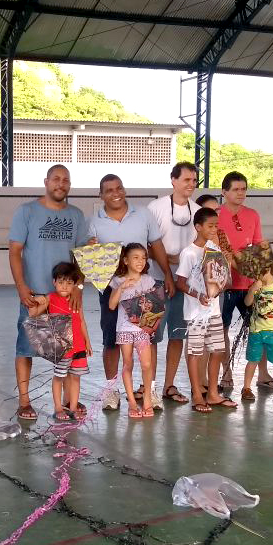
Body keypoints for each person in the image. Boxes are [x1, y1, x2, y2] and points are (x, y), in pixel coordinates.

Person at [9, 164, 89, 420]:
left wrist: (77, 286)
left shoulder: (76, 215)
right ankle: (24, 401)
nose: (61, 184)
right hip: (35, 295)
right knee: (25, 348)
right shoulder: (27, 212)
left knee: (68, 350)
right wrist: (21, 286)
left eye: (66, 180)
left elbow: (83, 256)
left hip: (66, 295)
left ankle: (68, 401)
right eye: (56, 179)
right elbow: (15, 251)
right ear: (46, 182)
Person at [86, 173, 172, 411]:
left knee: (148, 339)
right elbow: (89, 257)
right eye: (109, 190)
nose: (116, 193)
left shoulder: (143, 214)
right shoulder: (94, 222)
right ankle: (111, 390)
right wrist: (90, 249)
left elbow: (157, 246)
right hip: (113, 289)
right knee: (111, 341)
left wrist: (167, 275)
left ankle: (150, 389)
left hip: (145, 290)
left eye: (119, 188)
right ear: (100, 195)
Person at [216, 171, 273, 392]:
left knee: (258, 329)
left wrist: (261, 274)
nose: (241, 193)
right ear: (224, 192)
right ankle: (226, 373)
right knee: (221, 331)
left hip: (250, 284)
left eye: (243, 189)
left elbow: (259, 246)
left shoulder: (253, 215)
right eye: (236, 189)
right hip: (224, 285)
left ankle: (263, 374)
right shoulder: (214, 215)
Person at [146, 162, 198, 405]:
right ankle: (150, 386)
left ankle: (169, 385)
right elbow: (145, 244)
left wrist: (183, 260)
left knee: (177, 335)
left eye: (194, 180)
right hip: (156, 280)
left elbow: (201, 246)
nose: (191, 184)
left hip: (184, 283)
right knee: (153, 336)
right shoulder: (155, 208)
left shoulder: (197, 211)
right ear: (173, 180)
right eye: (186, 179)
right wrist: (165, 260)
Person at [175, 207, 235, 412]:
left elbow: (223, 280)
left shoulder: (214, 249)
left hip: (214, 311)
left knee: (217, 350)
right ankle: (198, 395)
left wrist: (224, 275)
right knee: (195, 353)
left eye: (216, 226)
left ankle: (212, 393)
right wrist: (198, 295)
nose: (214, 229)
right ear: (198, 227)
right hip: (196, 314)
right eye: (210, 226)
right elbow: (180, 283)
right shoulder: (189, 253)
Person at [28, 261, 92, 423]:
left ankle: (72, 408)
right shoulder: (51, 298)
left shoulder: (76, 300)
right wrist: (36, 300)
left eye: (69, 283)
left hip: (78, 346)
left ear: (75, 285)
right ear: (54, 282)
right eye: (61, 282)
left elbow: (82, 321)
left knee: (76, 378)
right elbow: (33, 313)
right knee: (59, 376)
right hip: (62, 348)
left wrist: (87, 342)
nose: (64, 286)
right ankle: (58, 407)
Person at [107, 244, 159, 418]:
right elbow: (112, 305)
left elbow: (154, 306)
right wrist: (122, 287)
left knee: (146, 364)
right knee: (127, 364)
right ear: (126, 260)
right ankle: (131, 401)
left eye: (143, 257)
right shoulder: (116, 280)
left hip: (142, 329)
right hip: (124, 328)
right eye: (135, 257)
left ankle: (147, 400)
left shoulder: (148, 280)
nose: (140, 261)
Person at [240, 254, 273, 404]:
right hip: (256, 331)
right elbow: (247, 303)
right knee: (253, 359)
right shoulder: (256, 286)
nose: (256, 273)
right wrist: (252, 290)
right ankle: (246, 388)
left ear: (269, 269)